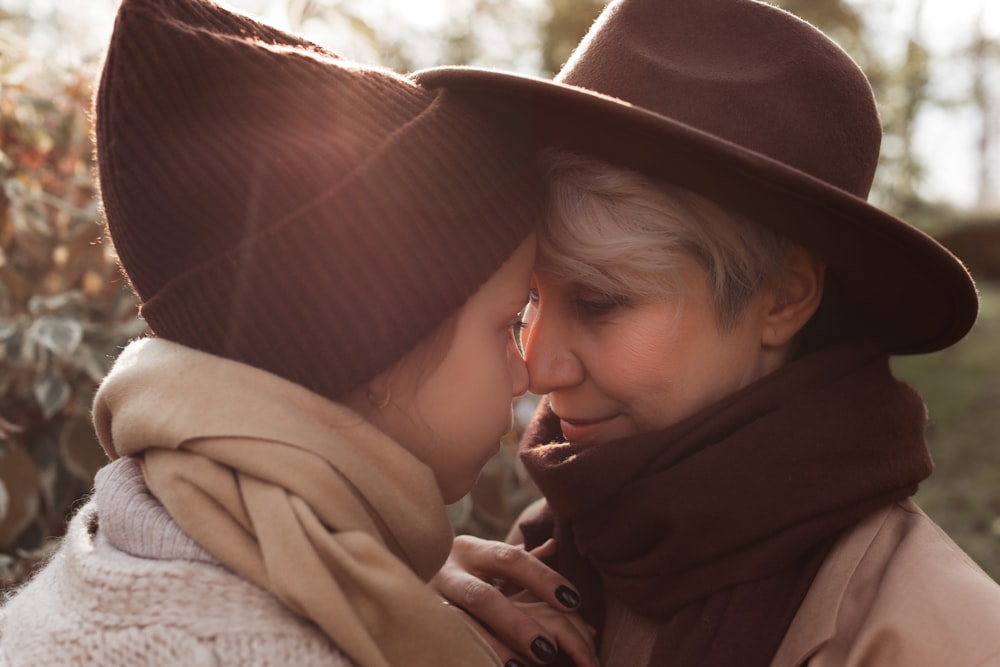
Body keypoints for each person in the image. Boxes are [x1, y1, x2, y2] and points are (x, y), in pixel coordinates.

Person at [0, 0, 598, 665]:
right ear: (371, 341)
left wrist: (369, 579)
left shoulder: (126, 544)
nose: (528, 372)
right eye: (507, 322)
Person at [416, 0, 1000, 664]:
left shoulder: (936, 638)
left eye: (600, 302)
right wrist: (406, 620)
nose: (537, 367)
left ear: (784, 297)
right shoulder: (535, 555)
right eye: (526, 301)